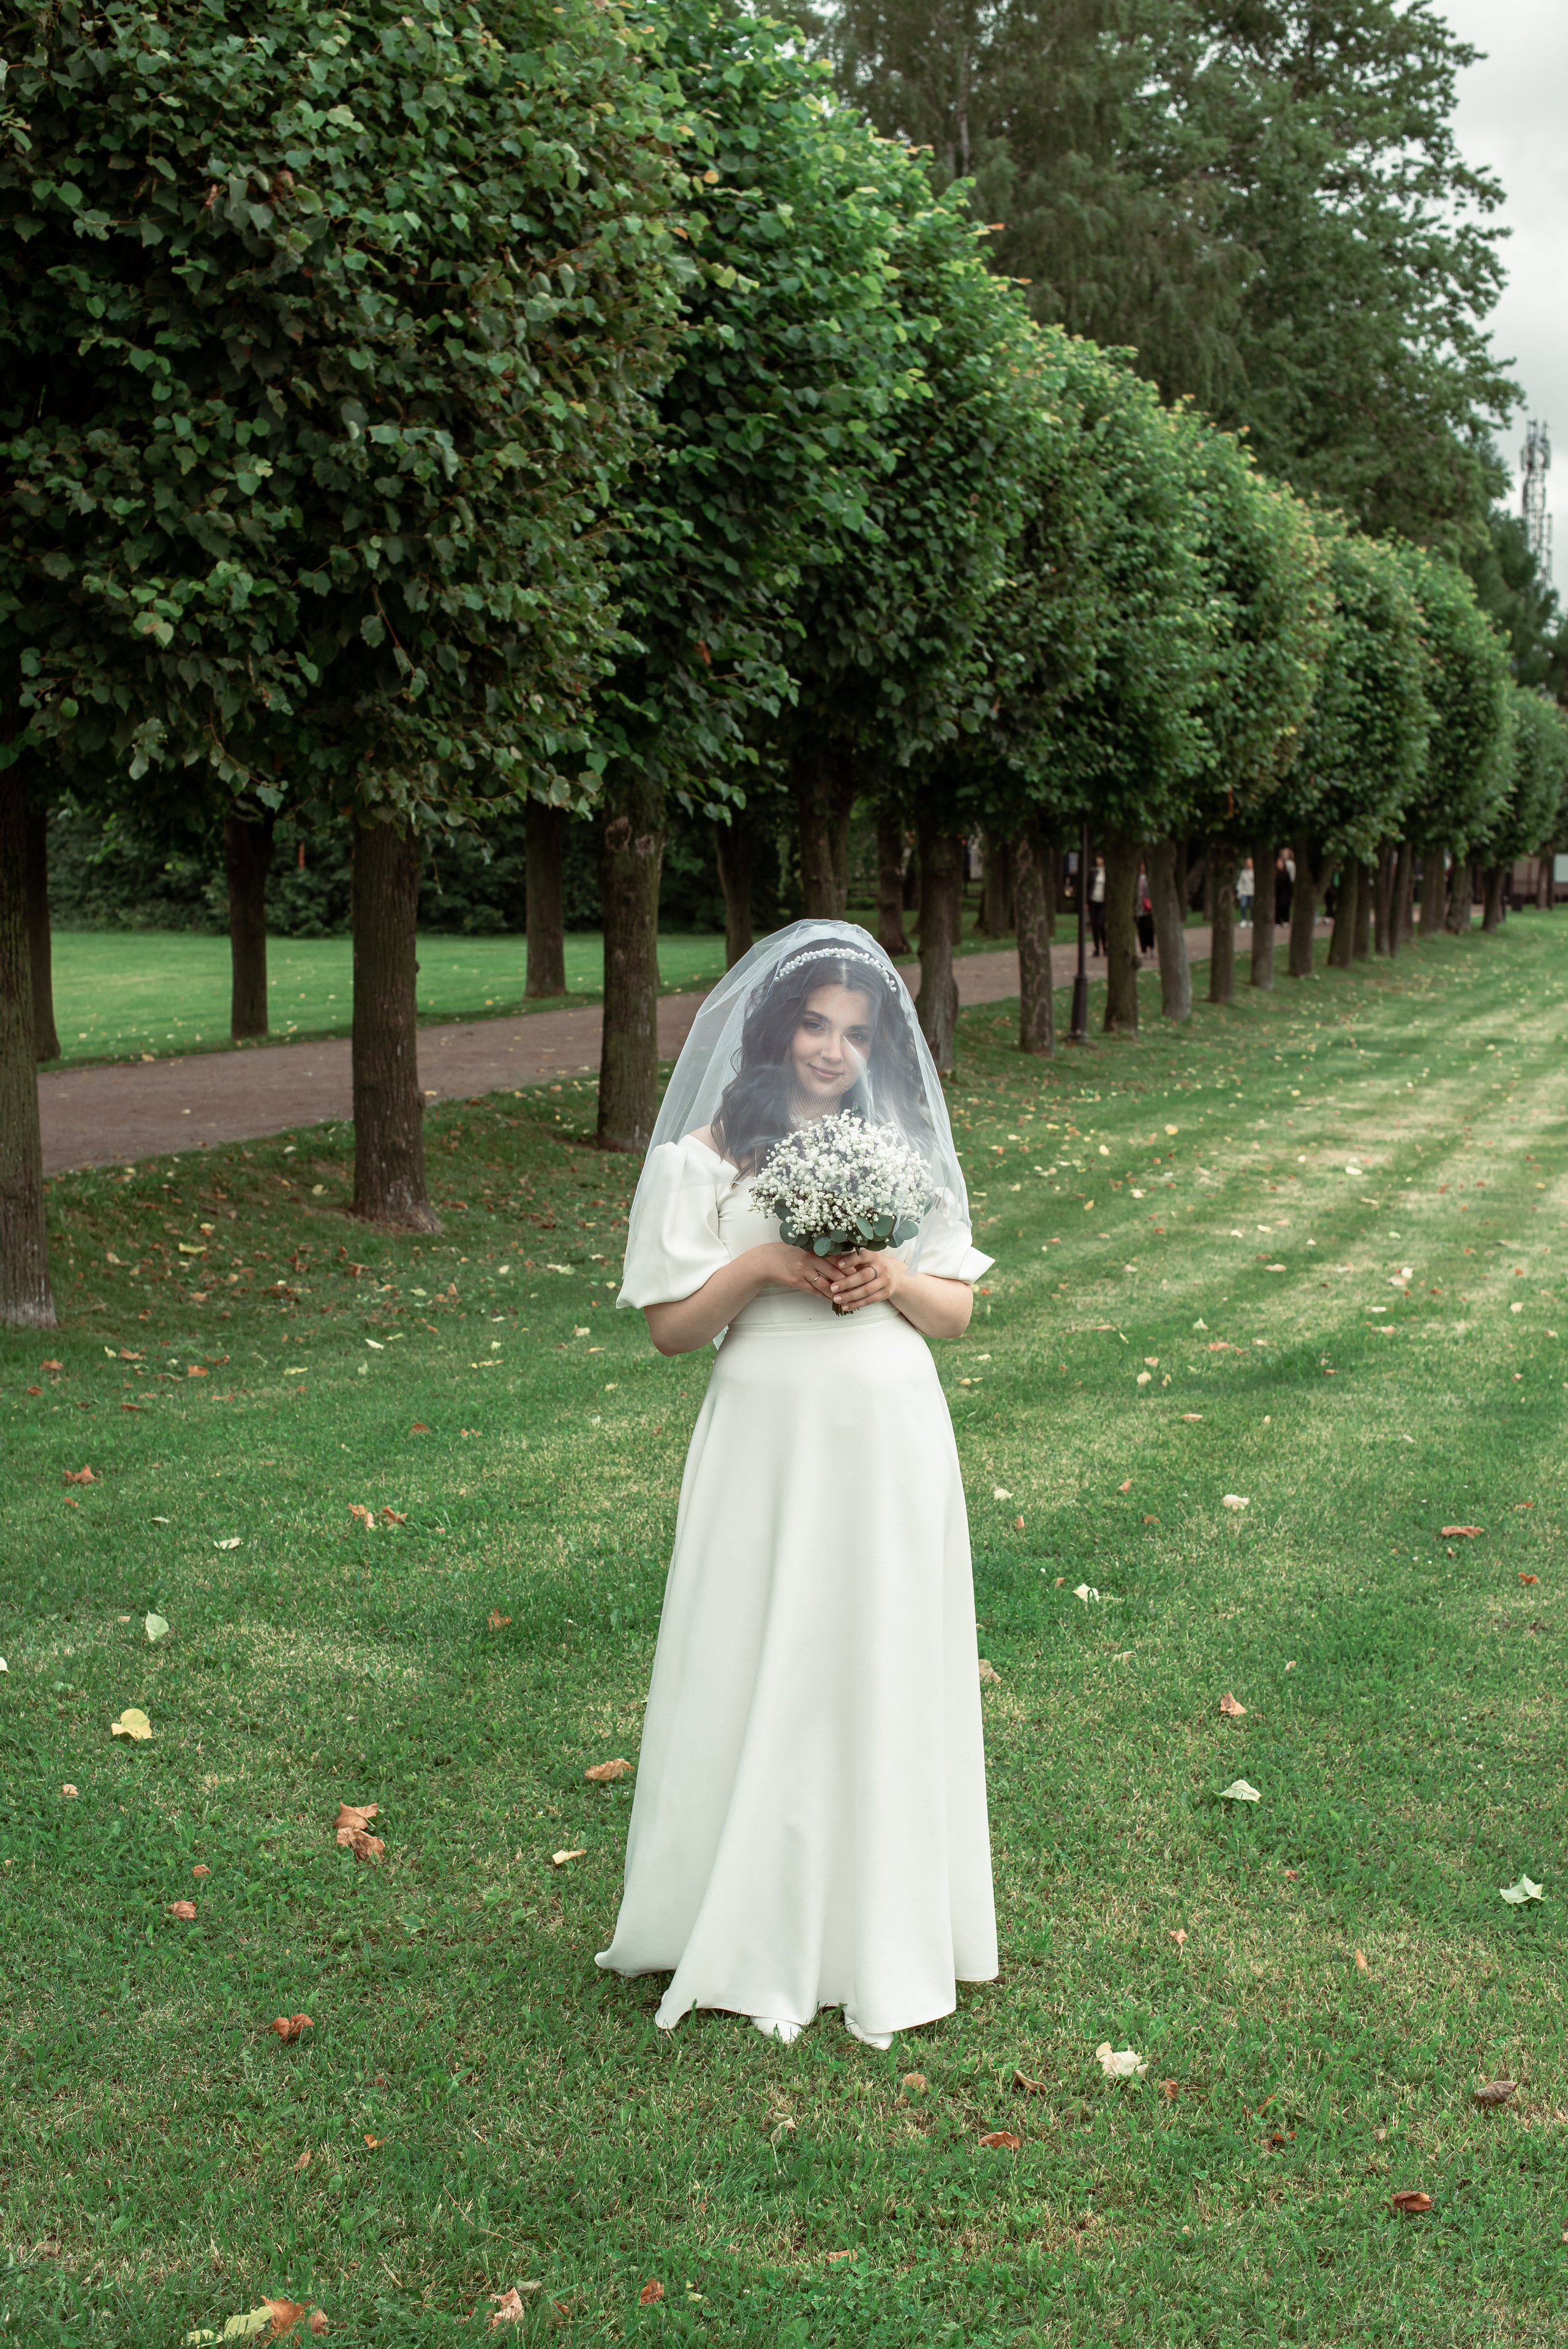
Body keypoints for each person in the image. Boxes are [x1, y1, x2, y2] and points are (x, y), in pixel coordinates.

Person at [597, 921, 997, 2050]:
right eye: (816, 1024)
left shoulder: (899, 1151)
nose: (832, 1048)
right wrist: (770, 1262)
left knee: (877, 1659)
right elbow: (672, 1330)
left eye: (856, 1033)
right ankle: (741, 1915)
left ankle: (881, 1926)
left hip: (888, 1425)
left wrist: (894, 1277)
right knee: (754, 1648)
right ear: (779, 1028)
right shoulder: (700, 1160)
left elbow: (959, 1312)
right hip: (767, 1433)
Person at [1088, 854, 1107, 957]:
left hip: (1103, 902)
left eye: (1100, 858)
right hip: (1093, 901)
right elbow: (1088, 885)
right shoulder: (1093, 871)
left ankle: (1105, 946)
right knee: (1094, 925)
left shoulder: (1107, 872)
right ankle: (1097, 948)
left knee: (1101, 924)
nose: (1098, 860)